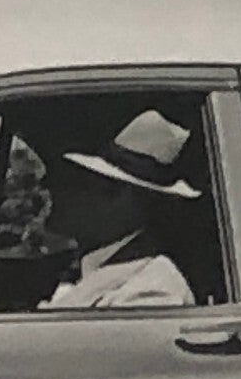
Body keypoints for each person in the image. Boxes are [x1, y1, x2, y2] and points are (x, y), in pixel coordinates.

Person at [41, 109, 202, 310]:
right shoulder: (86, 266)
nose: (54, 188)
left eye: (80, 183)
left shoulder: (152, 289)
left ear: (122, 197)